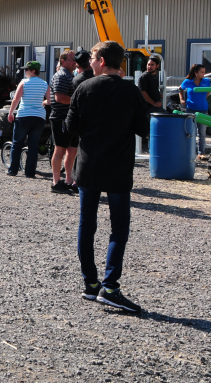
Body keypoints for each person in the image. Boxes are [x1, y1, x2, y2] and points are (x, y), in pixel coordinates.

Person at [65, 41, 149, 313]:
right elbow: (143, 129)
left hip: (88, 167)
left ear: (101, 61)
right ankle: (110, 286)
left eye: (91, 56)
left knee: (86, 225)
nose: (89, 60)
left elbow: (69, 129)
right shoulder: (131, 91)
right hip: (118, 168)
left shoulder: (83, 88)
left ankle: (90, 283)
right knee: (119, 228)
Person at [6, 61, 51, 178]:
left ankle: (13, 170)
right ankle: (30, 172)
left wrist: (11, 112)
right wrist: (44, 102)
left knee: (17, 143)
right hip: (39, 117)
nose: (24, 71)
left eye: (26, 69)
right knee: (33, 146)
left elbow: (16, 98)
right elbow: (50, 100)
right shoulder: (45, 84)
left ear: (32, 71)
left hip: (24, 115)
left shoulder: (24, 82)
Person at [49, 50, 78, 194]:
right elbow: (59, 97)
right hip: (61, 117)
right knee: (60, 149)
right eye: (72, 59)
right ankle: (56, 181)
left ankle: (68, 180)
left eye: (75, 59)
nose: (75, 61)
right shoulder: (61, 75)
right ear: (63, 61)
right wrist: (78, 102)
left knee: (72, 150)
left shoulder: (70, 75)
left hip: (70, 117)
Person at [180, 64, 211, 161]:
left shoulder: (206, 81)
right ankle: (188, 152)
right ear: (196, 73)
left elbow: (208, 91)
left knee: (202, 133)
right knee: (189, 131)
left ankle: (201, 153)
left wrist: (203, 99)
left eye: (204, 72)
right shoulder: (188, 82)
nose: (204, 74)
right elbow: (180, 89)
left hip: (203, 109)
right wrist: (182, 99)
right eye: (202, 72)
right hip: (191, 109)